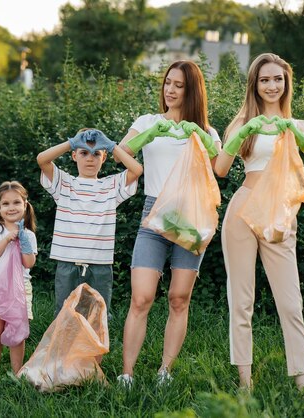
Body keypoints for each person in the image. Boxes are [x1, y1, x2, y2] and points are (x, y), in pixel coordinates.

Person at [214, 53, 304, 391]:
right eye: (265, 80)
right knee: (241, 300)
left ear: (286, 83)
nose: (272, 85)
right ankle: (245, 383)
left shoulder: (297, 124)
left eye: (278, 79)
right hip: (243, 210)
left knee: (291, 303)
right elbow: (220, 169)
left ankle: (302, 381)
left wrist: (294, 132)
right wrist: (244, 130)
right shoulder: (242, 123)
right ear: (255, 85)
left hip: (277, 216)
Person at [116, 60, 222, 386]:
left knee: (179, 298)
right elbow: (120, 151)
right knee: (141, 297)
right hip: (154, 211)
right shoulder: (147, 121)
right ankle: (127, 374)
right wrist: (152, 132)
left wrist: (202, 138)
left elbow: (220, 167)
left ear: (191, 91)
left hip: (191, 217)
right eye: (167, 83)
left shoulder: (206, 130)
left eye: (178, 85)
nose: (170, 90)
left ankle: (165, 372)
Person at [37, 128, 142, 319]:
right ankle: (66, 348)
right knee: (65, 314)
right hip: (67, 261)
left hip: (100, 264)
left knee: (98, 315)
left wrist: (111, 146)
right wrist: (72, 142)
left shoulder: (111, 185)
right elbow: (42, 159)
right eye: (84, 152)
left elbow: (137, 170)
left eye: (97, 153)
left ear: (104, 158)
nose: (90, 158)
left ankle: (95, 349)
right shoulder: (64, 184)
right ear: (74, 155)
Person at [0, 180, 38, 383]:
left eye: (16, 202)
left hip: (21, 289)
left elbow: (29, 262)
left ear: (25, 205)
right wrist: (7, 239)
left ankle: (17, 375)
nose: (11, 207)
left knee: (17, 333)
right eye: (5, 204)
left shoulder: (29, 235)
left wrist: (22, 240)